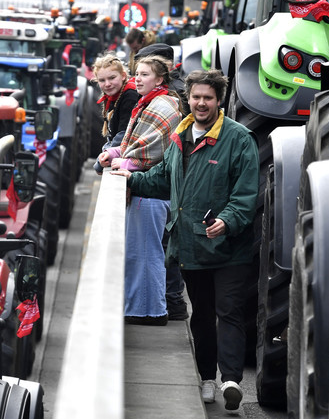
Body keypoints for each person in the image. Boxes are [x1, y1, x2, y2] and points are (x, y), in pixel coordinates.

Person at [111, 69, 259, 411]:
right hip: (192, 247)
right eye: (196, 97)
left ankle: (232, 380)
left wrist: (227, 220)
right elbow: (163, 179)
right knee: (203, 314)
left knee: (230, 311)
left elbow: (247, 193)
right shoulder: (181, 134)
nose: (202, 103)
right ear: (188, 98)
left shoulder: (239, 139)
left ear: (219, 100)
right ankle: (207, 378)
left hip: (230, 247)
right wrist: (130, 178)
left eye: (208, 97)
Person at [97, 54, 182, 326]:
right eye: (137, 74)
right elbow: (137, 143)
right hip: (145, 190)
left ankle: (151, 312)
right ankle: (140, 308)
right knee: (139, 252)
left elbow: (154, 150)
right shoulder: (148, 103)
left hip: (152, 193)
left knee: (147, 252)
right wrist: (113, 151)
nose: (138, 80)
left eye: (144, 75)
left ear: (159, 79)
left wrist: (123, 160)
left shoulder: (162, 105)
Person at [135, 43, 190, 321]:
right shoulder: (169, 94)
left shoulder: (169, 98)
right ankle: (173, 301)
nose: (139, 79)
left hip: (163, 186)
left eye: (145, 71)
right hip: (165, 184)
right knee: (166, 245)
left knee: (163, 248)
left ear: (163, 71)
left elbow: (164, 145)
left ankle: (171, 302)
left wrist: (129, 160)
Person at [90, 52, 140, 174]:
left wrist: (100, 163)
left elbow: (122, 136)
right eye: (102, 80)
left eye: (112, 78)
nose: (107, 84)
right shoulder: (113, 96)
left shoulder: (130, 96)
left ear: (123, 76)